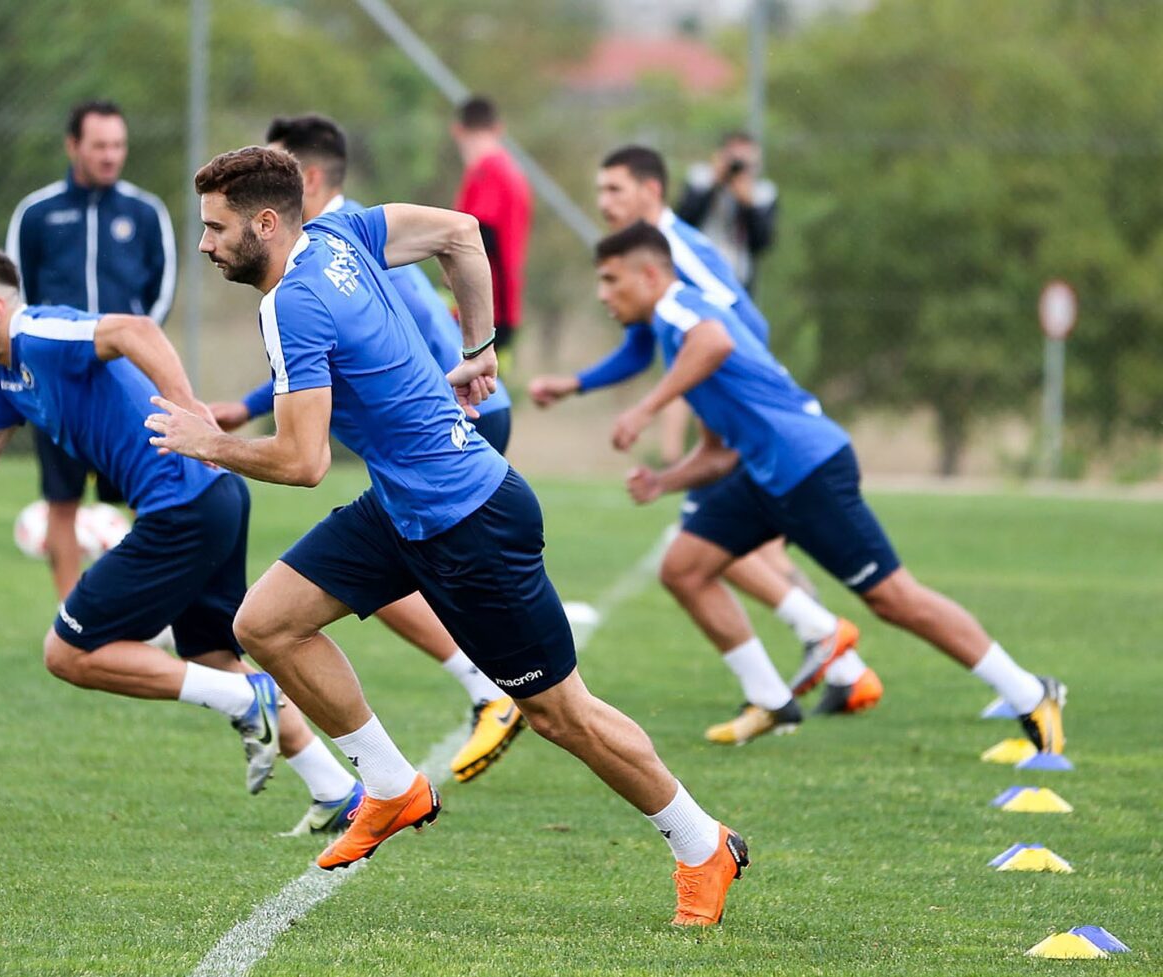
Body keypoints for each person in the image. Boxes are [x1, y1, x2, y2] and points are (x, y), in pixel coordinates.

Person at [147, 146, 747, 927]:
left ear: (265, 222)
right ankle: (391, 787)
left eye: (215, 228)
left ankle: (702, 843)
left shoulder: (290, 303)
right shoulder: (339, 234)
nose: (205, 245)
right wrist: (477, 348)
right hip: (406, 507)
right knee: (265, 622)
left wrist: (210, 443)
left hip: (471, 522)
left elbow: (302, 461)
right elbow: (461, 233)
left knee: (560, 713)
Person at [0, 245, 364, 836]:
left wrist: (189, 411)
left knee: (68, 653)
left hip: (183, 506)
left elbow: (135, 330)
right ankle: (334, 789)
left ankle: (247, 699)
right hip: (211, 498)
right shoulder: (4, 376)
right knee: (210, 657)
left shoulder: (39, 334)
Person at [592, 220, 1067, 754]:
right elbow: (720, 450)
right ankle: (769, 699)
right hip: (765, 475)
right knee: (684, 569)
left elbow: (715, 342)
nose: (603, 294)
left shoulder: (681, 309)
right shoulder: (671, 332)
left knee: (894, 599)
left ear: (649, 275)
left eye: (611, 280)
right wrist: (664, 481)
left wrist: (645, 409)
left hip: (809, 467)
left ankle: (1030, 693)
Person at [208, 114, 523, 783]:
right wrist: (249, 405)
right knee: (360, 570)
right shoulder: (332, 244)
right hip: (449, 414)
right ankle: (482, 692)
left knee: (368, 571)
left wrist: (472, 356)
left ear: (304, 179)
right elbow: (334, 354)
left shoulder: (339, 242)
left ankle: (490, 688)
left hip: (458, 416)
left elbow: (373, 346)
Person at [530, 145, 881, 725]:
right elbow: (643, 345)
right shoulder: (647, 257)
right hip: (734, 415)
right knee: (718, 548)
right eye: (599, 191)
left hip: (756, 419)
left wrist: (721, 400)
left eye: (615, 189)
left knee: (706, 547)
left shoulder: (682, 250)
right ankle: (836, 669)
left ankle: (820, 654)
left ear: (651, 190)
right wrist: (576, 384)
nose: (604, 202)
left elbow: (740, 328)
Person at [6, 99, 177, 600]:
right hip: (58, 385)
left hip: (126, 381)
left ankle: (146, 608)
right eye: (100, 145)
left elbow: (161, 292)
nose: (110, 155)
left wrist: (131, 350)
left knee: (147, 499)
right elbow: (19, 294)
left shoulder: (145, 213)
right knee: (62, 501)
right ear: (73, 146)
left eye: (118, 145)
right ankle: (69, 613)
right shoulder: (37, 213)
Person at [450, 96, 531, 366]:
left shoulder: (488, 170)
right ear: (498, 128)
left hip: (485, 310)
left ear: (457, 131)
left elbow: (477, 236)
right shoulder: (510, 170)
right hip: (501, 307)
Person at [674, 131, 777, 296]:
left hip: (739, 279)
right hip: (697, 271)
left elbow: (762, 243)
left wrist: (748, 205)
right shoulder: (702, 180)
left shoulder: (762, 193)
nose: (737, 166)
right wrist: (714, 182)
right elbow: (683, 221)